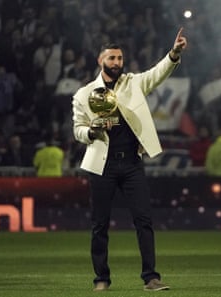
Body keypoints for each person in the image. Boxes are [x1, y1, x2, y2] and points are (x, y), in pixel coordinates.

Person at [71, 28, 187, 292]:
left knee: (144, 220)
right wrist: (92, 130)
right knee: (99, 224)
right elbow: (77, 129)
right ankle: (101, 278)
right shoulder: (84, 94)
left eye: (120, 59)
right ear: (101, 61)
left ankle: (151, 278)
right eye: (111, 58)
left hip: (132, 164)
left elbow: (157, 73)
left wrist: (174, 53)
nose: (116, 63)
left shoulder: (133, 83)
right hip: (102, 164)